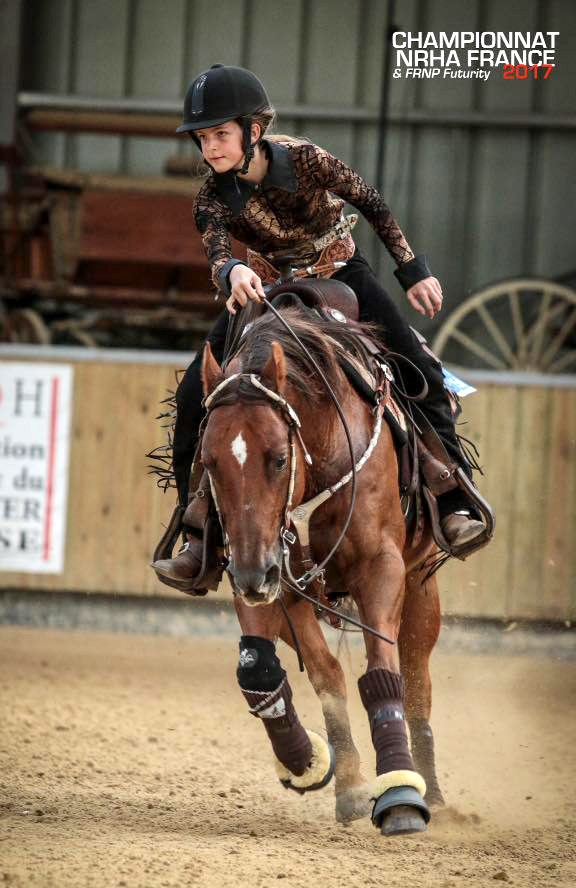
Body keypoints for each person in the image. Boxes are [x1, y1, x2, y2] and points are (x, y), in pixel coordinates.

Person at [152, 64, 485, 587]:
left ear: (253, 131)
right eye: (202, 137)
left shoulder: (308, 161)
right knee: (196, 395)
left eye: (220, 133)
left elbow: (371, 204)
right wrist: (231, 269)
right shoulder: (211, 199)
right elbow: (217, 251)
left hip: (341, 271)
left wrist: (412, 270)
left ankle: (451, 494)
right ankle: (197, 535)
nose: (210, 147)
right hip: (263, 285)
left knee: (420, 369)